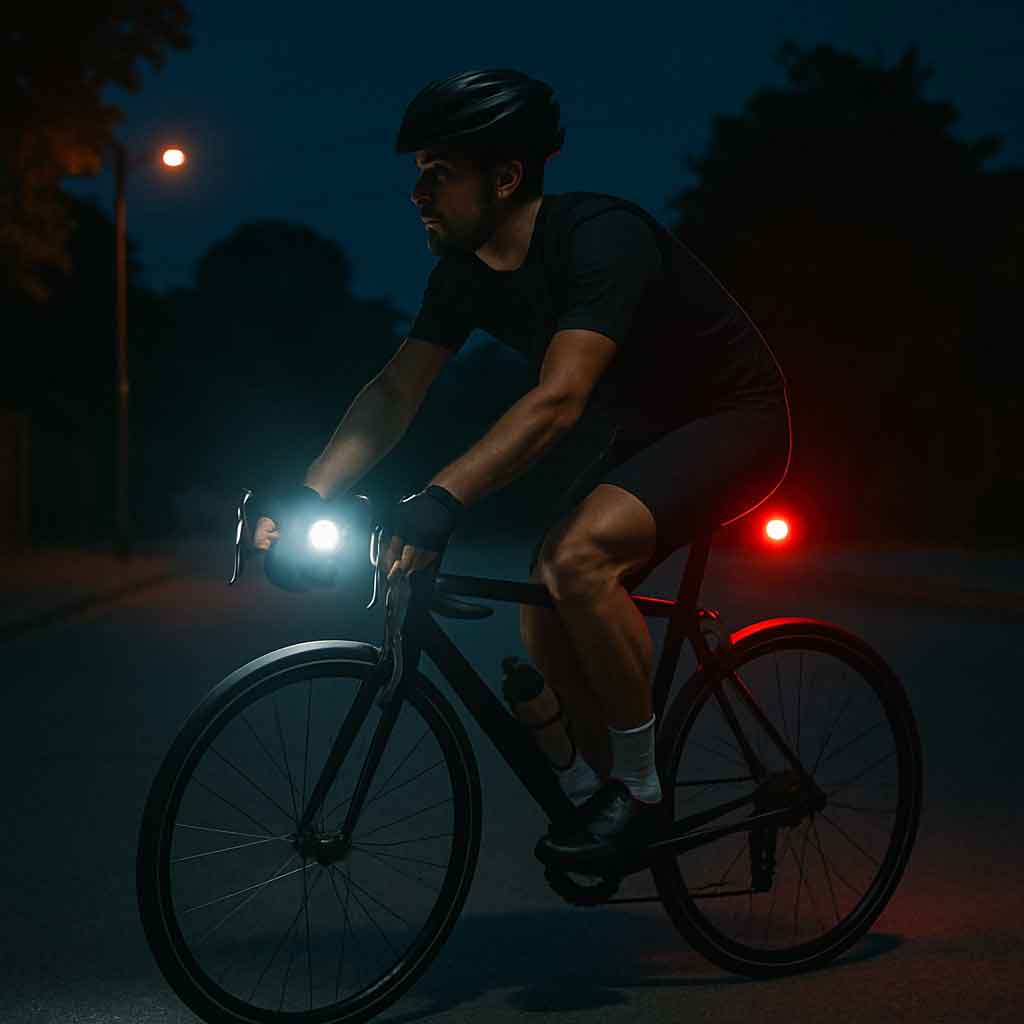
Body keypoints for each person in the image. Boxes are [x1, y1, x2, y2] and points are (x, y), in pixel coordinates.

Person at [253, 68, 791, 870]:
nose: (417, 192)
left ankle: (641, 793)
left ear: (505, 177)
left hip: (734, 421)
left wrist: (441, 500)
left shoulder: (601, 237)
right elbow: (396, 390)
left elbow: (559, 399)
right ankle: (590, 789)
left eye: (440, 172)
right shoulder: (464, 275)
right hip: (645, 432)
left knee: (579, 559)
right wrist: (307, 491)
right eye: (415, 172)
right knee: (547, 596)